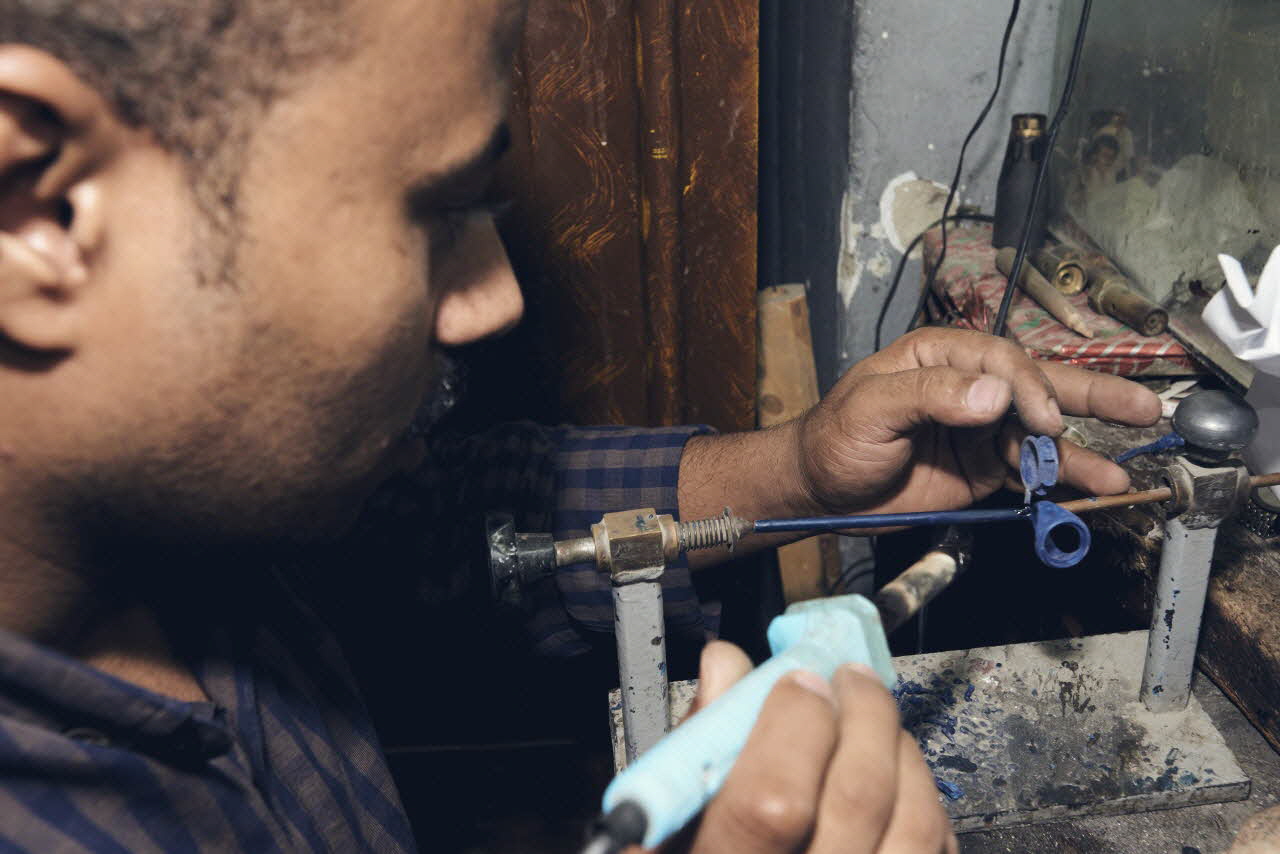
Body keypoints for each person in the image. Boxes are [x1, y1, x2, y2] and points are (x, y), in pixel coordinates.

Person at [0, 1, 1163, 851]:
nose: (497, 295)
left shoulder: (188, 522)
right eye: (439, 211)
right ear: (40, 202)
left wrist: (799, 469)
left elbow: (430, 520)